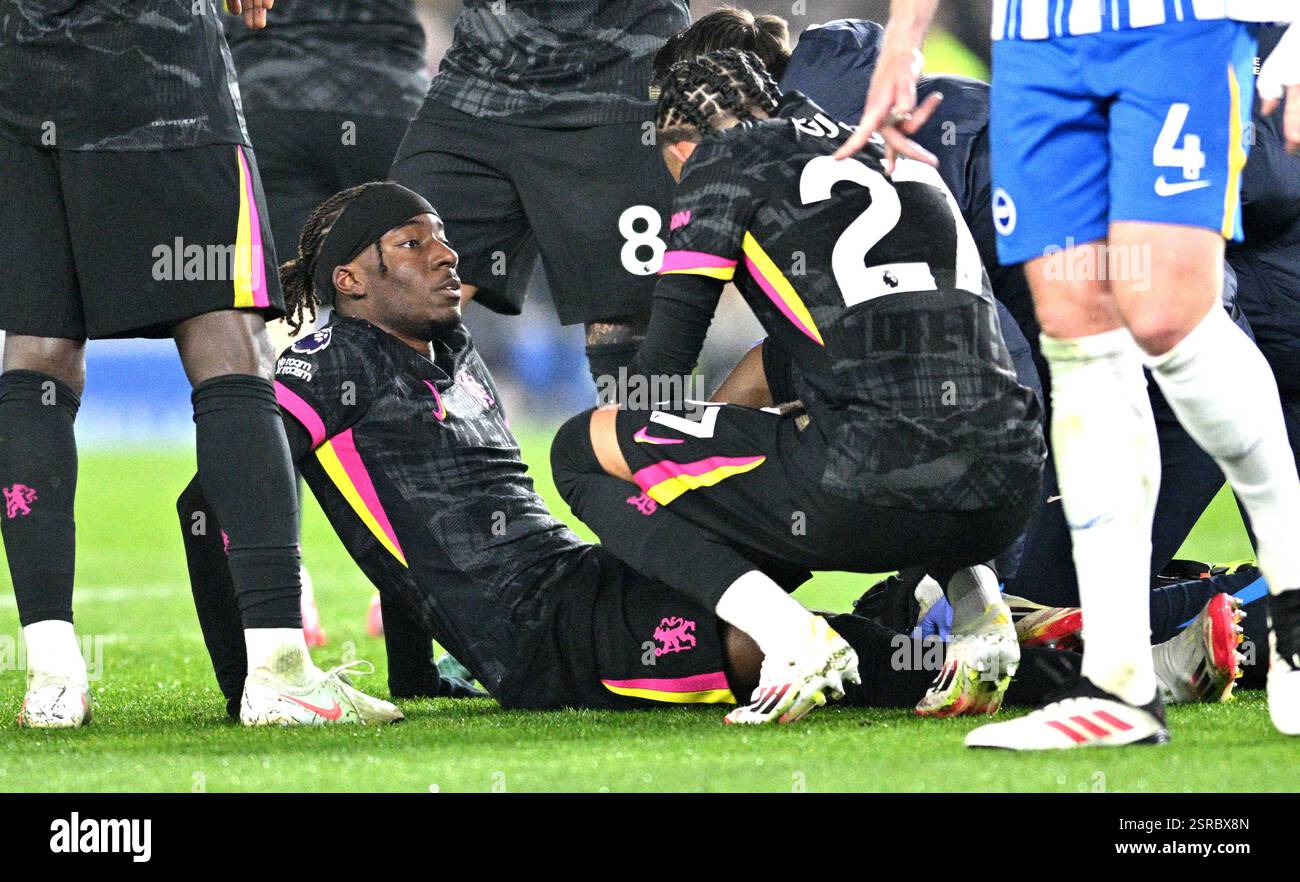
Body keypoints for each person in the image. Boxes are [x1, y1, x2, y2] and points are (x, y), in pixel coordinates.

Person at [178, 181, 1098, 723]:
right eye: (412, 244)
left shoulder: (449, 350)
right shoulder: (328, 358)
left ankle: (961, 605)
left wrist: (417, 665)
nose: (447, 255)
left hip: (587, 576)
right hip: (550, 641)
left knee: (811, 499)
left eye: (445, 238)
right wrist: (252, 675)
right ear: (351, 281)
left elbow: (400, 509)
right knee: (794, 653)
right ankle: (1098, 663)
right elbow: (213, 495)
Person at [840, 0, 1300, 747]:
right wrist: (905, 37)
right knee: (1078, 335)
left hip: (1176, 21)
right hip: (1037, 36)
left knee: (1167, 318)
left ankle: (1293, 591)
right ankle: (1119, 687)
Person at [548, 50, 1047, 724]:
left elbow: (664, 374)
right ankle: (980, 620)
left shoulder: (722, 161)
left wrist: (663, 481)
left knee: (581, 448)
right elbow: (854, 347)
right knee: (914, 413)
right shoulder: (888, 148)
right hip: (1008, 490)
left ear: (680, 141)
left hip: (868, 496)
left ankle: (792, 640)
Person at [0, 0, 375, 729]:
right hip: (161, 75)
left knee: (38, 351)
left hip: (22, 79)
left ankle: (50, 673)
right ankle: (277, 669)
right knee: (227, 338)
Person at [224, 0, 432, 650]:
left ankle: (287, 581)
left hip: (271, 98)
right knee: (404, 340)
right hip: (390, 100)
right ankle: (415, 574)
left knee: (288, 344)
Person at [388, 0, 690, 396]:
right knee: (393, 308)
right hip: (480, 79)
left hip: (625, 84)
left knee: (632, 361)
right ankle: (416, 446)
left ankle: (661, 448)